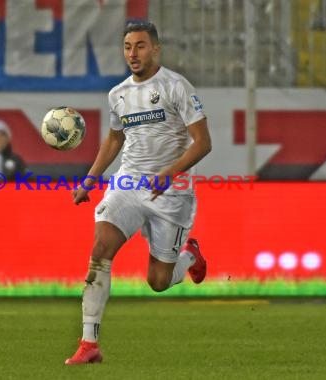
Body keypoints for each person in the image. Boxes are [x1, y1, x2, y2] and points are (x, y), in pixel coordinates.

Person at [65, 22, 212, 365]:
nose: (133, 53)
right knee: (101, 248)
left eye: (141, 46)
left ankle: (190, 255)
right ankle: (89, 344)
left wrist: (169, 172)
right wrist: (90, 180)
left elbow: (203, 143)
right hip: (128, 184)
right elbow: (115, 139)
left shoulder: (176, 86)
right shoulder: (118, 94)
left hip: (171, 193)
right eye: (128, 46)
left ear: (156, 49)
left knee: (159, 281)